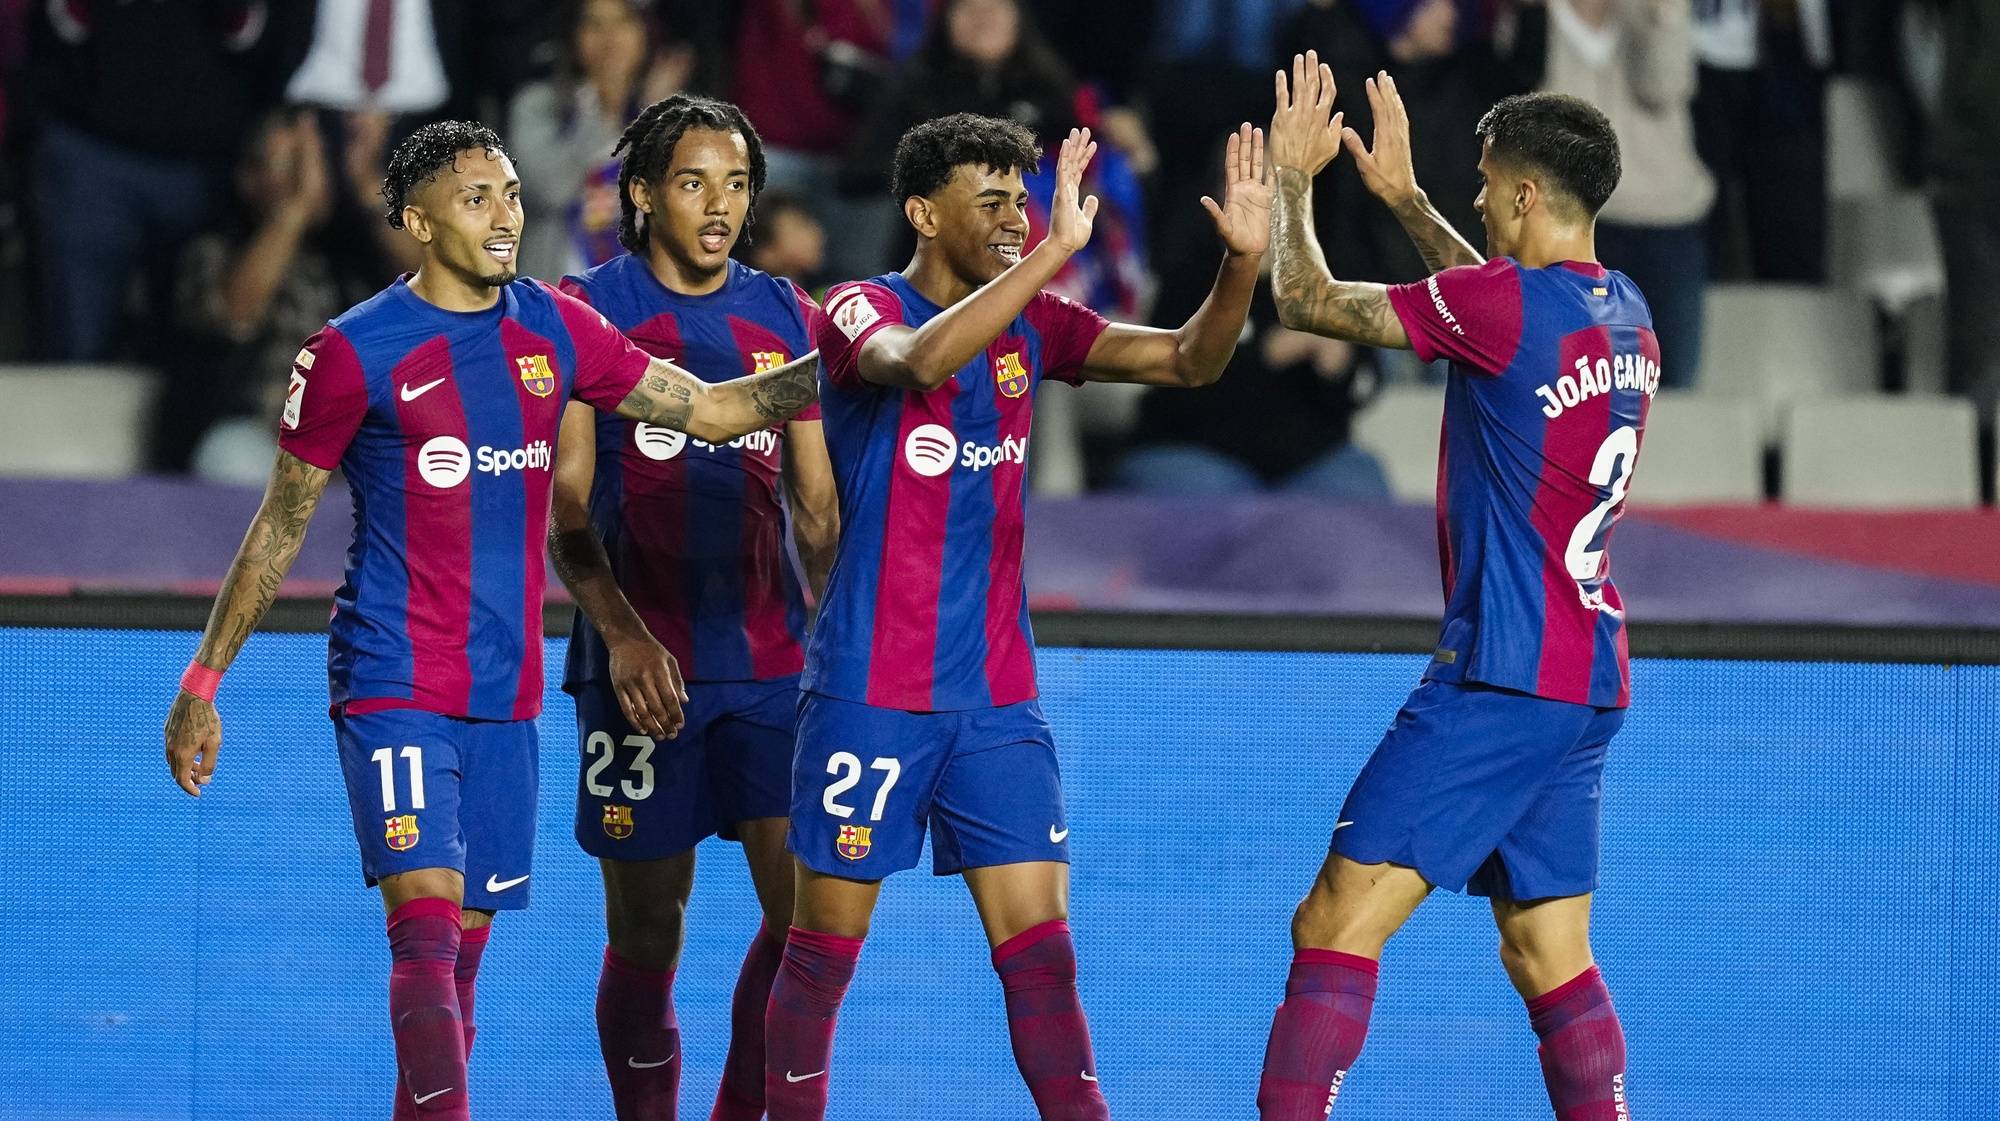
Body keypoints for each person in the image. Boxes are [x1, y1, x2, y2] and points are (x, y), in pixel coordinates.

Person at [159, 119, 819, 1121]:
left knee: (459, 965)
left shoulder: (556, 327)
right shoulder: (349, 352)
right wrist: (203, 681)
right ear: (417, 221)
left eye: (511, 193)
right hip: (393, 676)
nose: (506, 215)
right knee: (423, 936)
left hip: (502, 697)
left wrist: (867, 360)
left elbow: (718, 412)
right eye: (478, 199)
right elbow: (277, 528)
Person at [764, 113, 1270, 1121]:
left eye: (1020, 198)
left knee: (1041, 961)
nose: (1011, 217)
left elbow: (1185, 363)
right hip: (869, 688)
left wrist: (1240, 265)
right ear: (920, 210)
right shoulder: (858, 304)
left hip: (996, 697)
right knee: (821, 957)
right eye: (987, 200)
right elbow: (907, 362)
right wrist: (1045, 257)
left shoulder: (1034, 320)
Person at [1253, 54, 1653, 1119]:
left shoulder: (1501, 308)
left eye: (1482, 184)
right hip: (1587, 681)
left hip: (1498, 674)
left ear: (1523, 195)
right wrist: (1408, 202)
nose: (1474, 199)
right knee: (1544, 945)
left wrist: (1297, 183)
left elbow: (1300, 297)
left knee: (1332, 922)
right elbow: (1495, 309)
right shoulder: (1624, 310)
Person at [548, 94, 840, 1121]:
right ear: (640, 193)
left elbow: (814, 505)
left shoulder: (782, 313)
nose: (719, 204)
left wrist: (841, 638)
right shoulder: (584, 311)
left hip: (769, 664)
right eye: (691, 181)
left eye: (735, 183)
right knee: (645, 933)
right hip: (637, 670)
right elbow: (566, 510)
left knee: (804, 919)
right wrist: (621, 634)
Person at [1540, 0, 1711, 387]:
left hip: (1664, 221)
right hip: (1567, 229)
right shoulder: (1532, 16)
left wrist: (1661, 16)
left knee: (1670, 392)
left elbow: (1667, 85)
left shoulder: (1655, 9)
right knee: (1567, 389)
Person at [509, 0, 693, 282]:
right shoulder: (538, 105)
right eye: (593, 23)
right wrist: (603, 111)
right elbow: (551, 191)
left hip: (647, 296)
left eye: (624, 21)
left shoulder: (675, 113)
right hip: (558, 292)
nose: (610, 38)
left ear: (647, 32)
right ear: (572, 35)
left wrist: (651, 113)